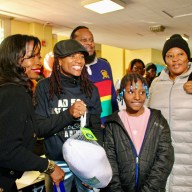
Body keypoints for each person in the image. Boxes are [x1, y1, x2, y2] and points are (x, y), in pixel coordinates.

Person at [34, 39, 103, 192]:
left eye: (81, 56)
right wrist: (69, 114)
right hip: (58, 162)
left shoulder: (90, 89)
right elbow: (39, 128)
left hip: (86, 161)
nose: (79, 61)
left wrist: (96, 163)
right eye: (72, 56)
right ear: (59, 60)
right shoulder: (45, 87)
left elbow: (96, 128)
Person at [0, 34, 64, 192]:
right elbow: (8, 150)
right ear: (13, 59)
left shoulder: (13, 89)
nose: (38, 62)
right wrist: (49, 167)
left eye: (39, 56)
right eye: (31, 57)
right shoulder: (13, 93)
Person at [104, 73, 174, 191]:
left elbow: (165, 159)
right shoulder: (113, 123)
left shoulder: (158, 120)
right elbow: (110, 161)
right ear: (120, 94)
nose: (137, 97)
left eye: (142, 92)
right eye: (131, 92)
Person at [147, 34, 192, 191]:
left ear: (188, 57)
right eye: (170, 55)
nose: (175, 59)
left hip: (187, 158)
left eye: (180, 54)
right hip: (160, 158)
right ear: (165, 60)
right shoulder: (156, 83)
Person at [70, 26, 118, 125]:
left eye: (91, 40)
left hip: (107, 127)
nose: (89, 43)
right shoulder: (71, 69)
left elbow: (112, 97)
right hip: (82, 129)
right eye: (84, 40)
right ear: (73, 44)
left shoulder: (105, 65)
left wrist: (115, 122)